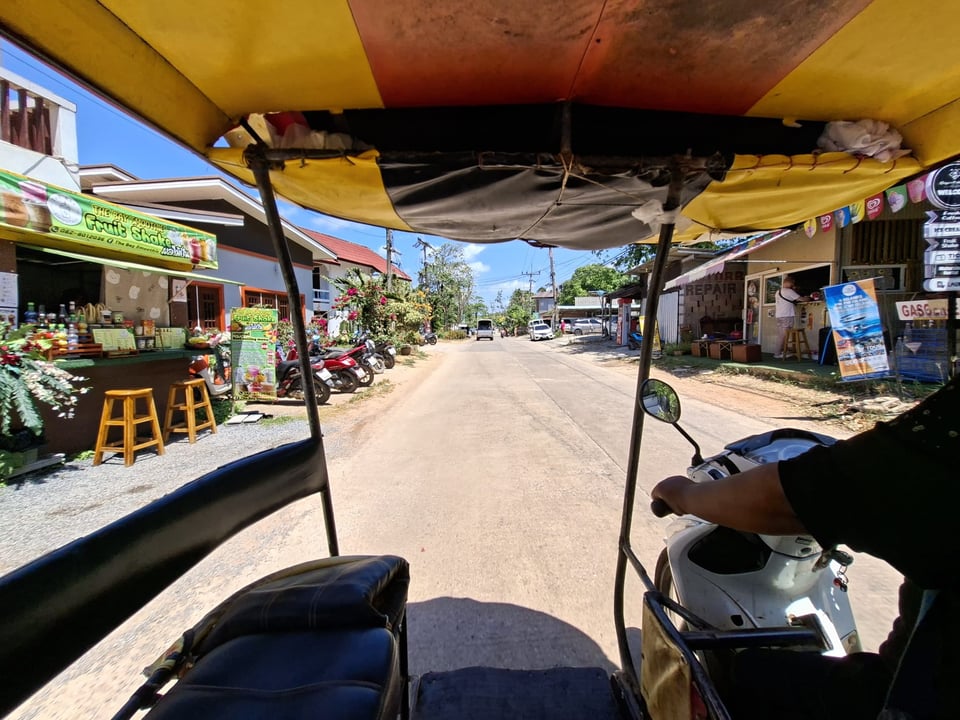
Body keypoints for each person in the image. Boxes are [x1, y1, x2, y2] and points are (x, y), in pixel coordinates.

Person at [651, 375, 960, 719]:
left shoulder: (945, 431)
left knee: (746, 670)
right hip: (918, 678)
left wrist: (685, 494)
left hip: (907, 694)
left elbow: (797, 497)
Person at [774, 276, 810, 358]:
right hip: (787, 315)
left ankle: (780, 351)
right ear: (790, 283)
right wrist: (808, 298)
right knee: (784, 335)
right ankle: (778, 353)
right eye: (792, 283)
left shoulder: (778, 291)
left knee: (781, 335)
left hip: (779, 315)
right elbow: (801, 299)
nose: (793, 285)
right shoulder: (789, 291)